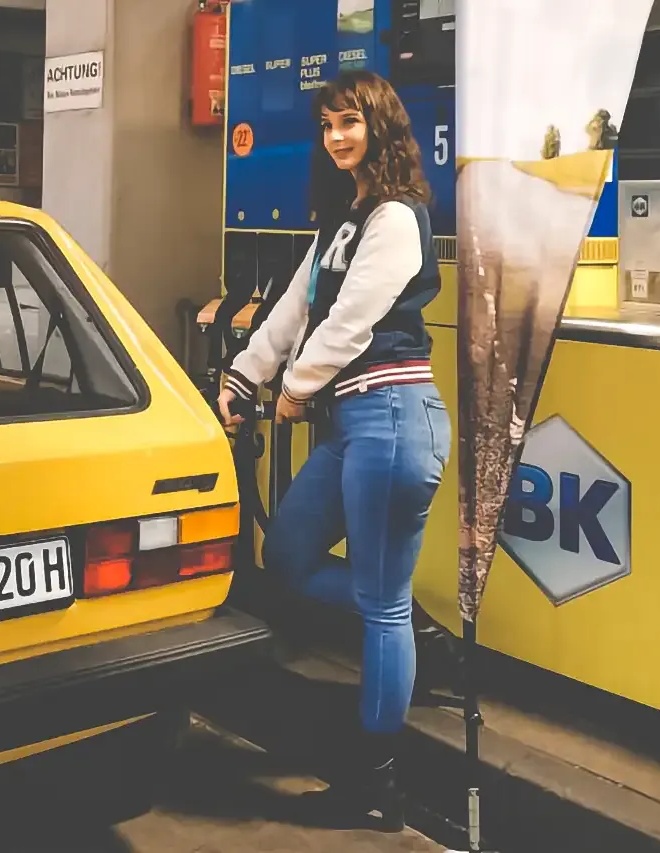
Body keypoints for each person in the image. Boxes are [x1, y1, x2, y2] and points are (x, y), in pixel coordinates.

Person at [217, 69, 451, 831]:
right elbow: (297, 306)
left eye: (349, 121)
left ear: (380, 125)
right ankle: (415, 631)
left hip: (393, 414)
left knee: (379, 603)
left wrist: (293, 387)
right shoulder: (343, 220)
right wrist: (243, 375)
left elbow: (352, 318)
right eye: (327, 125)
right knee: (288, 553)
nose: (336, 136)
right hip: (352, 422)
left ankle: (375, 785)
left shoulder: (398, 216)